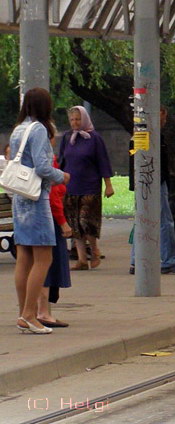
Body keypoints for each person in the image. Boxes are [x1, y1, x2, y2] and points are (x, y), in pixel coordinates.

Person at [11, 87, 70, 334]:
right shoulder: (39, 130)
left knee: (24, 257)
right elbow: (43, 167)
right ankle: (30, 314)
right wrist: (62, 176)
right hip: (37, 199)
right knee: (44, 258)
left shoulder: (18, 129)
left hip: (20, 198)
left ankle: (23, 312)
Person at [129, 107, 175, 275]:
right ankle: (168, 259)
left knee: (142, 220)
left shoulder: (140, 134)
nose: (164, 122)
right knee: (165, 221)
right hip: (154, 182)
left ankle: (136, 259)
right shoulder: (152, 137)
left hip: (146, 183)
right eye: (162, 119)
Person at [59, 105, 114, 270]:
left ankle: (94, 249)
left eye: (78, 119)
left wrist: (108, 185)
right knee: (74, 224)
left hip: (90, 185)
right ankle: (82, 260)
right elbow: (62, 161)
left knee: (86, 221)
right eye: (72, 120)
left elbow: (103, 161)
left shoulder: (94, 138)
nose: (75, 123)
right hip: (71, 186)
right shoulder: (67, 138)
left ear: (84, 119)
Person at [39, 148, 72, 328]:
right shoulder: (46, 159)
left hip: (29, 218)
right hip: (49, 220)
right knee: (46, 265)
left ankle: (30, 311)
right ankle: (43, 311)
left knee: (35, 264)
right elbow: (53, 198)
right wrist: (63, 223)